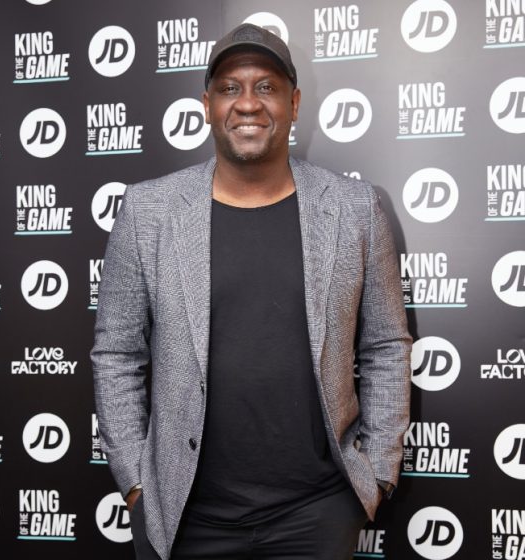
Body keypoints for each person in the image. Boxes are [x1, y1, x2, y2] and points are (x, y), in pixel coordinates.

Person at [92, 23, 411, 560]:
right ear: (207, 105)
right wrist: (136, 484)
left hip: (316, 514)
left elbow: (385, 345)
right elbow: (117, 353)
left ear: (294, 103)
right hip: (184, 515)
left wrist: (376, 473)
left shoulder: (355, 209)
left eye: (266, 86)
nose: (247, 103)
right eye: (229, 88)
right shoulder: (148, 212)